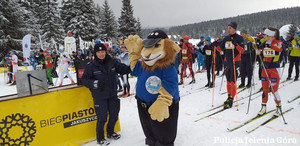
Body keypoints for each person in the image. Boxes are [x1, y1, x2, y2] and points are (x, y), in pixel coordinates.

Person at [82, 43, 131, 145]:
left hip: (112, 95)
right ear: (95, 53)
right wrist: (96, 83)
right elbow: (85, 80)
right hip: (100, 97)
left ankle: (110, 132)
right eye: (99, 52)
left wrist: (135, 65)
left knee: (114, 115)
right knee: (102, 117)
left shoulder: (112, 62)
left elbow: (124, 69)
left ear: (106, 52)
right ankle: (100, 138)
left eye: (103, 51)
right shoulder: (91, 66)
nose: (101, 54)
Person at [218, 22, 245, 109]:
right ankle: (229, 96)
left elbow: (242, 51)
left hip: (235, 61)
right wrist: (215, 46)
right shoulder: (226, 38)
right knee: (228, 81)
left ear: (234, 29)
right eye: (228, 28)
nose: (228, 29)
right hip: (227, 61)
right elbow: (220, 48)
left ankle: (231, 98)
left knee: (233, 81)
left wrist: (236, 44)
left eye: (230, 28)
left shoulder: (239, 38)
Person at [257, 27, 283, 116]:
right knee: (264, 89)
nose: (264, 37)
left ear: (270, 36)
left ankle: (279, 108)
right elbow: (259, 52)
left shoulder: (278, 42)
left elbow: (277, 51)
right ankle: (263, 107)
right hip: (265, 68)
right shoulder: (264, 43)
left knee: (274, 90)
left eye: (265, 35)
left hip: (274, 69)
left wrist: (267, 47)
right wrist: (258, 50)